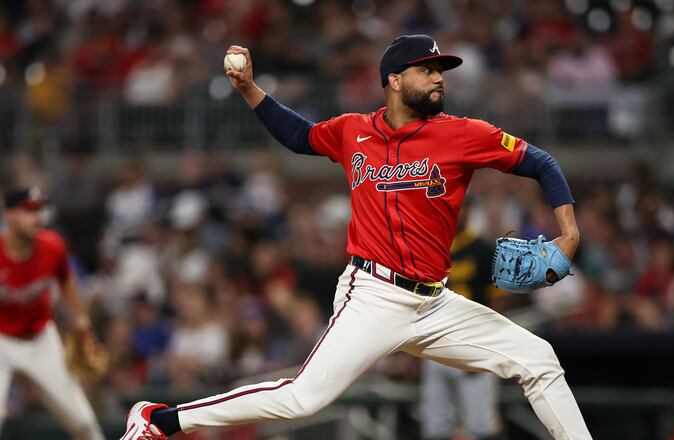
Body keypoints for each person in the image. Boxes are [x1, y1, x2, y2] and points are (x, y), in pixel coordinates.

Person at [123, 34, 591, 440]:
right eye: (427, 70)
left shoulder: (464, 135)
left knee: (539, 359)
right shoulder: (354, 131)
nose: (438, 78)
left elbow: (541, 163)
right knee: (301, 399)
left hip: (436, 303)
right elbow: (298, 136)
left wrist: (568, 230)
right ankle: (160, 421)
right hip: (374, 295)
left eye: (440, 71)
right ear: (393, 80)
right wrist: (248, 89)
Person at [0, 187, 104, 439]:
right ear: (9, 216)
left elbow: (66, 279)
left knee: (85, 424)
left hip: (40, 339)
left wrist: (81, 317)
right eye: (27, 211)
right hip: (1, 341)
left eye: (39, 210)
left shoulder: (52, 245)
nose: (37, 217)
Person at [421, 199, 503, 440]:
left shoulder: (484, 249)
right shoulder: (430, 247)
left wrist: (490, 340)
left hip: (472, 341)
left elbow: (498, 301)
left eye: (462, 207)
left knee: (480, 423)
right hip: (434, 340)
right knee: (435, 424)